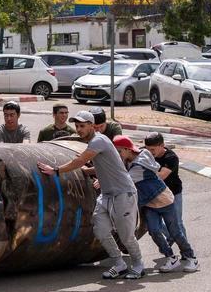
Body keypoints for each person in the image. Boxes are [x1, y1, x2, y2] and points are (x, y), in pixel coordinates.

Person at [37, 111, 144, 279]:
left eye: (82, 126)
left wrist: (56, 171)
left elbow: (80, 160)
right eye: (77, 126)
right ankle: (119, 264)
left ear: (92, 126)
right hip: (107, 195)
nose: (79, 129)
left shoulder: (99, 140)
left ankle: (138, 265)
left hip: (124, 194)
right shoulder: (93, 143)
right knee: (100, 230)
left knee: (126, 236)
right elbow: (103, 164)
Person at [113, 135, 198, 274]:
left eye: (119, 151)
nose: (118, 154)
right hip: (149, 203)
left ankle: (191, 258)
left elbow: (123, 182)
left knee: (175, 231)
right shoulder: (137, 155)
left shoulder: (138, 167)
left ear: (127, 149)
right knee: (154, 231)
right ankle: (171, 257)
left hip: (164, 200)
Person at [143, 133, 187, 242]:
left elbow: (160, 176)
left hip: (173, 193)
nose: (150, 153)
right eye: (147, 149)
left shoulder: (171, 158)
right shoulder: (144, 153)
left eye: (153, 149)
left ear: (162, 145)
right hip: (154, 194)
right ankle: (171, 237)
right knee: (152, 223)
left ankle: (186, 251)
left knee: (177, 222)